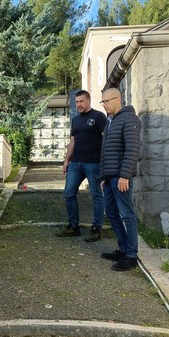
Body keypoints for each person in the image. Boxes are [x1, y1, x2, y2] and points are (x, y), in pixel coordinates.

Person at [99, 88, 141, 271]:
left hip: (120, 177)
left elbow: (132, 150)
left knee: (127, 215)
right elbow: (106, 152)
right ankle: (122, 248)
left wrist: (125, 175)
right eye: (103, 102)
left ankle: (131, 255)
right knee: (112, 213)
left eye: (106, 101)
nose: (104, 105)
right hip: (109, 178)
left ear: (118, 99)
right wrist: (103, 176)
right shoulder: (110, 121)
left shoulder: (129, 119)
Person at [57, 90, 107, 242]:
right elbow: (73, 141)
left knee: (96, 195)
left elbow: (106, 139)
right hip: (76, 164)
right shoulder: (75, 120)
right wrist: (67, 160)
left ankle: (96, 228)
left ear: (88, 101)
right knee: (69, 193)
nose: (78, 104)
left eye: (81, 101)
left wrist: (105, 162)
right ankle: (73, 227)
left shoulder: (99, 117)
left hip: (93, 164)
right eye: (76, 102)